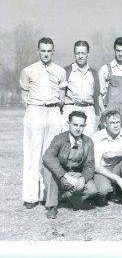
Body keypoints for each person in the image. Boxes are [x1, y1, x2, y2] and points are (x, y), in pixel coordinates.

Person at [19, 37, 66, 209]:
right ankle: (31, 196)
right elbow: (24, 96)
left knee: (51, 155)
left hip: (54, 112)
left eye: (49, 51)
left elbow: (62, 96)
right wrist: (34, 109)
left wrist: (54, 109)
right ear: (38, 51)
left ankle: (48, 195)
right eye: (43, 50)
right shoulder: (28, 70)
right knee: (32, 155)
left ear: (53, 51)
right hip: (35, 111)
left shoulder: (60, 71)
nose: (46, 54)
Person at [42, 111, 97, 219]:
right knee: (48, 167)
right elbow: (47, 157)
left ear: (85, 126)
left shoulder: (88, 142)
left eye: (81, 125)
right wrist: (65, 176)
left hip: (76, 174)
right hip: (60, 175)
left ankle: (65, 196)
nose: (78, 128)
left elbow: (90, 166)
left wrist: (83, 178)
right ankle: (52, 206)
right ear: (69, 124)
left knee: (92, 189)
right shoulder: (59, 138)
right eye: (75, 125)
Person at [92, 110, 122, 209]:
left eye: (118, 122)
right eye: (112, 123)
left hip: (118, 168)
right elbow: (96, 166)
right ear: (105, 124)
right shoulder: (97, 137)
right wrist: (118, 179)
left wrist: (115, 154)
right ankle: (106, 193)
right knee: (102, 190)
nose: (116, 126)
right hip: (103, 171)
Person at [62, 40, 100, 137]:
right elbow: (61, 94)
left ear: (88, 54)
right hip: (70, 108)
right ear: (74, 54)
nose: (80, 56)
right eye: (78, 53)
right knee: (67, 142)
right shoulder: (66, 71)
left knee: (87, 141)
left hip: (88, 110)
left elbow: (97, 95)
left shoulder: (94, 73)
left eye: (83, 53)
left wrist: (96, 115)